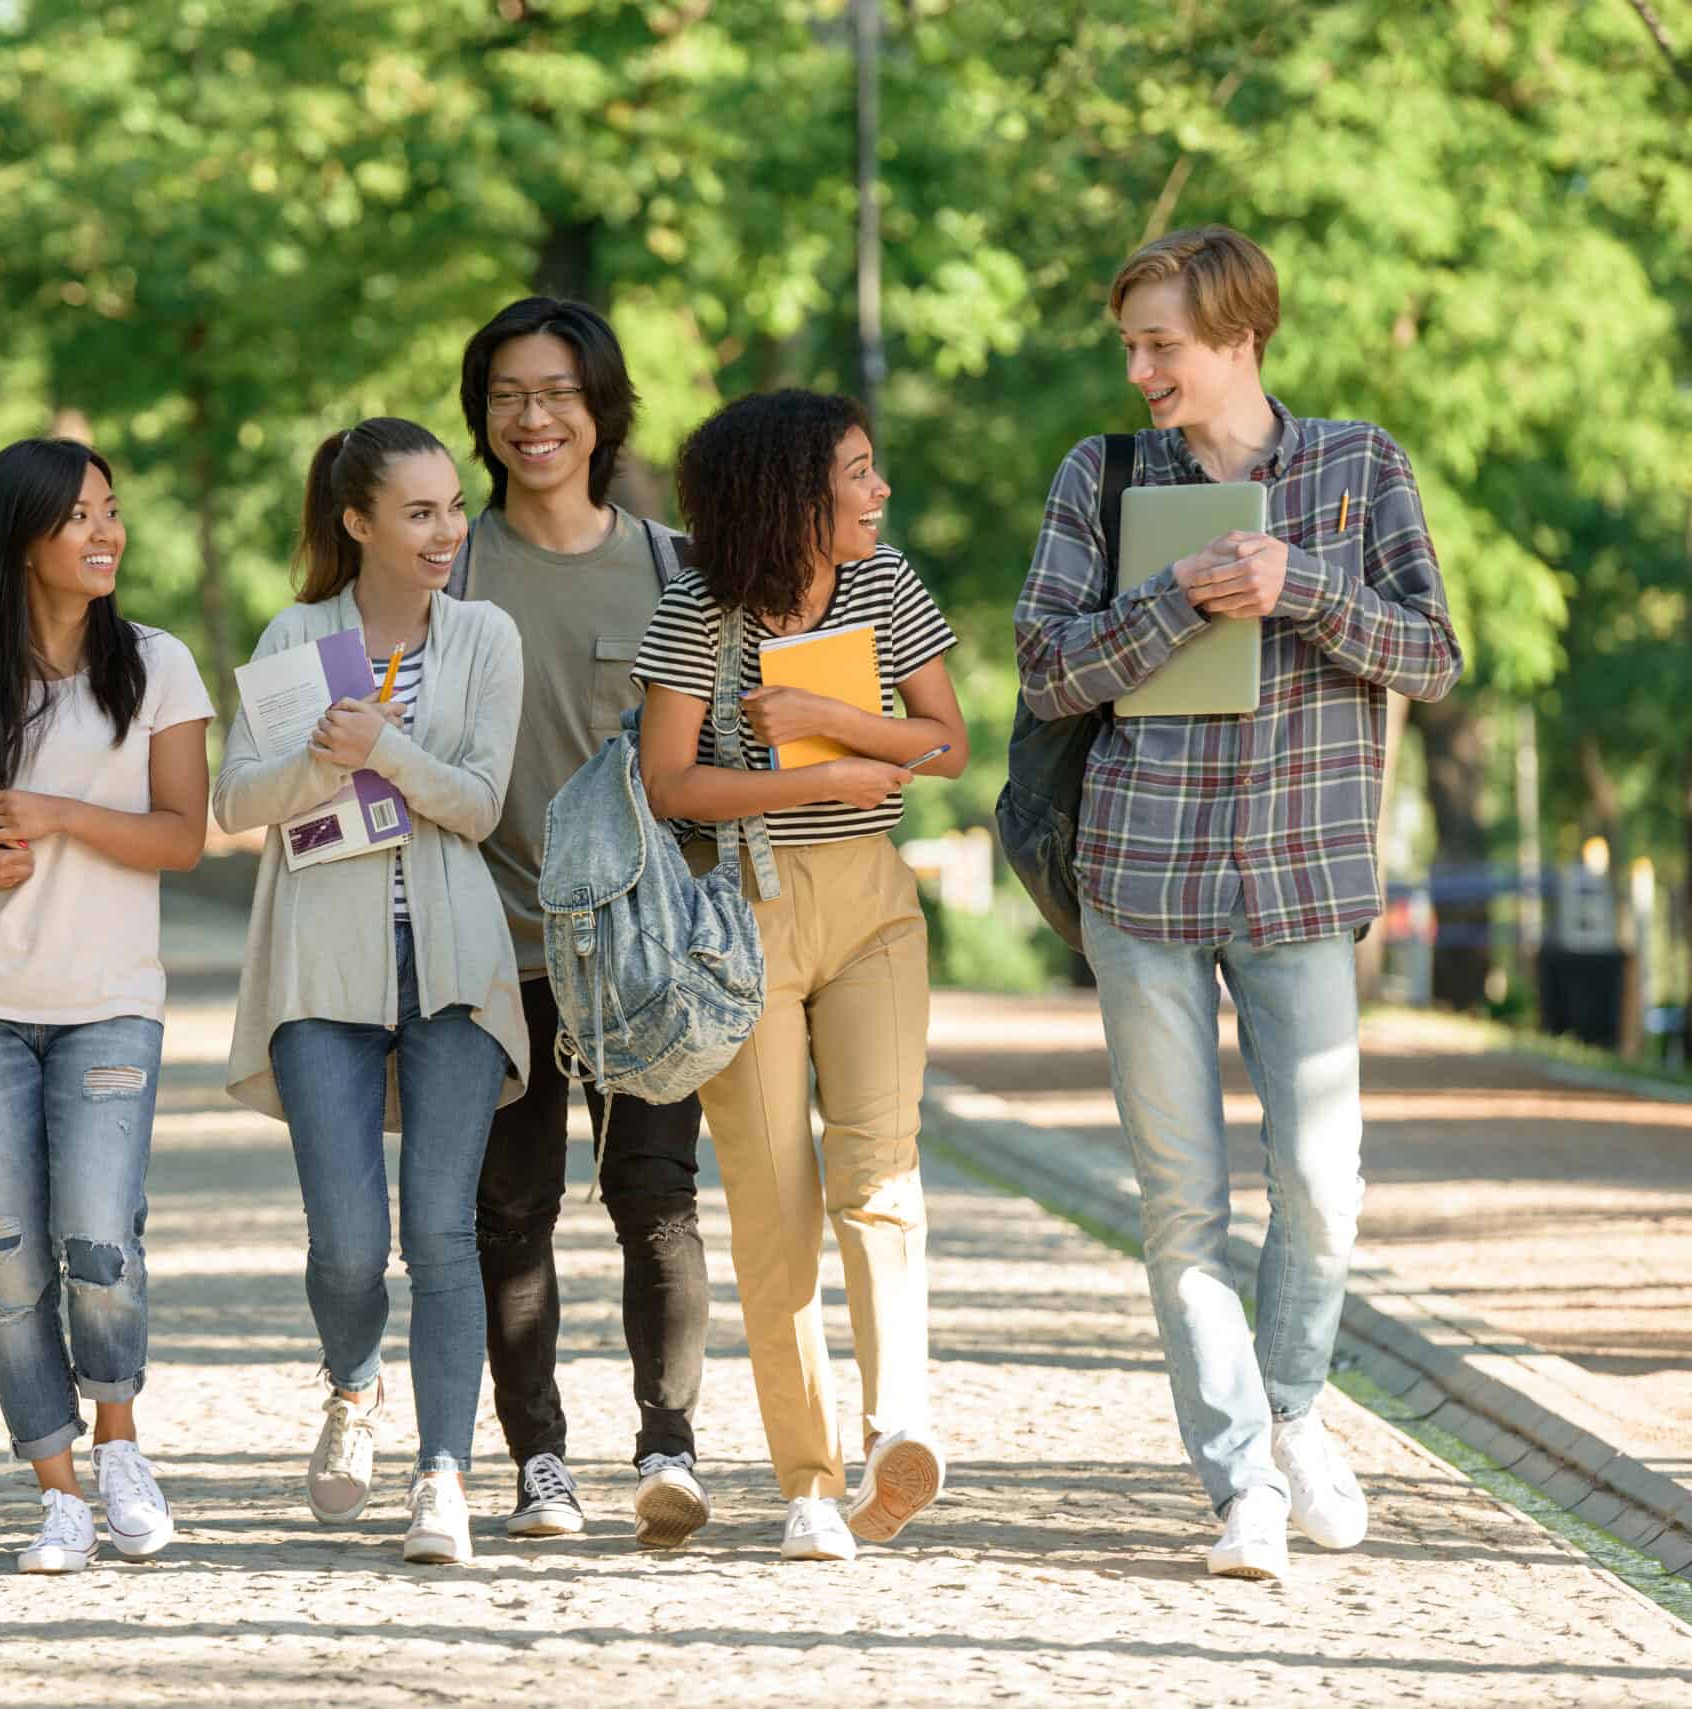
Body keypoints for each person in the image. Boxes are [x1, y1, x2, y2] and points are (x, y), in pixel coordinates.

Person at [1013, 225, 1462, 1581]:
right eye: (1133, 345)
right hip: (1141, 879)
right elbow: (1042, 670)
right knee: (1180, 1206)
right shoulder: (1102, 476)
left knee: (1323, 1188)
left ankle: (1290, 1408)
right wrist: (1174, 604)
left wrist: (1301, 588)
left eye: (1164, 344)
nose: (1141, 368)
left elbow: (1432, 656)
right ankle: (1240, 1487)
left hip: (1302, 878)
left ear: (1239, 336)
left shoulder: (1359, 465)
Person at [0, 437, 214, 1573]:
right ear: (19, 538)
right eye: (77, 517)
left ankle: (120, 1444)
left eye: (111, 509)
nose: (105, 532)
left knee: (99, 1238)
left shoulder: (156, 664)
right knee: (8, 1257)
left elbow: (181, 835)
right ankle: (56, 1486)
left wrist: (57, 813)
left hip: (110, 1000)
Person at [635, 388, 965, 1562]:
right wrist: (806, 780)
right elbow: (670, 782)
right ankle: (809, 1479)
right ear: (790, 495)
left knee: (881, 1173)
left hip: (871, 906)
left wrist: (833, 718)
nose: (879, 493)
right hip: (743, 921)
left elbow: (946, 742)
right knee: (774, 1206)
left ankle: (896, 1428)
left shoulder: (885, 585)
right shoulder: (695, 611)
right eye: (859, 474)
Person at [216, 417, 527, 1566]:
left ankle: (442, 1470)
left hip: (452, 959)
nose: (446, 530)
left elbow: (484, 803)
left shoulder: (484, 634)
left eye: (453, 507)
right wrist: (323, 760)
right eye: (419, 512)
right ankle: (353, 1385)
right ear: (357, 523)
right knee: (348, 1242)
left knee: (441, 1229)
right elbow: (238, 800)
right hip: (320, 961)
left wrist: (387, 750)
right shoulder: (297, 634)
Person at [449, 296, 715, 1547]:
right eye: (507, 394)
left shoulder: (673, 568)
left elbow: (714, 751)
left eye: (556, 392)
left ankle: (668, 1445)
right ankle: (537, 1459)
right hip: (490, 949)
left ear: (601, 409)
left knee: (654, 1195)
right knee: (509, 1211)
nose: (532, 416)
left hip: (640, 962)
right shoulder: (445, 568)